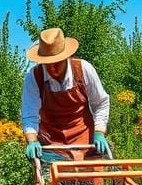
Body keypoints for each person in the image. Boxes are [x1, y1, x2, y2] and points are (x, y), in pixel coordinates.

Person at [21, 27, 111, 162]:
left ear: (67, 57)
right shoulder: (33, 77)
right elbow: (29, 114)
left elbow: (100, 103)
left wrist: (99, 133)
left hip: (84, 139)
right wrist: (32, 140)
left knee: (92, 181)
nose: (52, 67)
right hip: (51, 145)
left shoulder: (84, 69)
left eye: (56, 62)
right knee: (52, 182)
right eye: (47, 63)